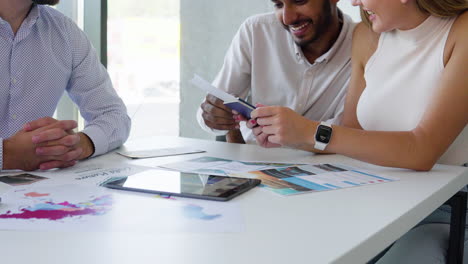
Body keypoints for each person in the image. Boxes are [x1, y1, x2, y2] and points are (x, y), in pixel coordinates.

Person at [249, 0, 468, 262]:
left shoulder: (461, 31)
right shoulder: (367, 35)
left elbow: (422, 150)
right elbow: (350, 134)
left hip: (445, 209)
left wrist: (311, 132)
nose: (354, 2)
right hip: (372, 198)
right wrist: (290, 134)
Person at [197, 0, 356, 144]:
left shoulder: (364, 45)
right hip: (252, 159)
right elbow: (213, 107)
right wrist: (214, 116)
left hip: (326, 166)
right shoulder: (257, 30)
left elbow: (351, 134)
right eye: (278, 4)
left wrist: (299, 133)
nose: (288, 19)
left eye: (299, 1)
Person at [0, 0, 131, 171]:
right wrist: (7, 155)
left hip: (36, 192)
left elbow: (114, 115)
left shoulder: (64, 32)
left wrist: (78, 145)